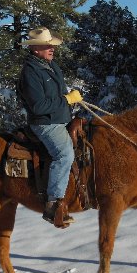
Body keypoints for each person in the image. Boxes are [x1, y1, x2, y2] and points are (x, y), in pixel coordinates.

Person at [18, 26, 83, 226]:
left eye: (52, 45)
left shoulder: (52, 66)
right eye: (47, 45)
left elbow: (58, 95)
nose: (51, 48)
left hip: (61, 118)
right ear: (35, 48)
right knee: (64, 154)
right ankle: (53, 204)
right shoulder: (30, 72)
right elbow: (38, 106)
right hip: (46, 124)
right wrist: (66, 99)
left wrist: (70, 97)